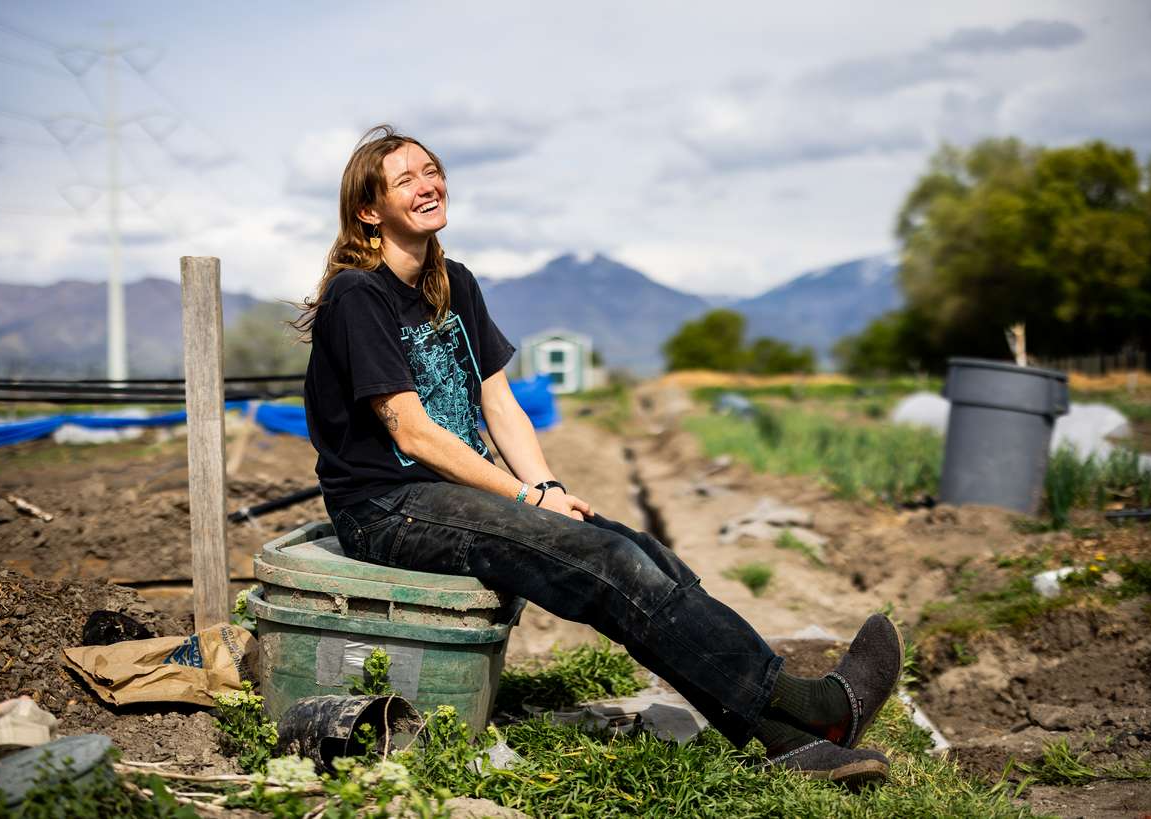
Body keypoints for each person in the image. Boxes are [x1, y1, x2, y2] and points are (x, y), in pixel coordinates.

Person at [299, 124, 904, 789]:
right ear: (367, 208)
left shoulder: (454, 283)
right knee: (605, 563)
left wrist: (548, 486)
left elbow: (500, 405)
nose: (428, 183)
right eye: (406, 178)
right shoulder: (358, 293)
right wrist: (523, 498)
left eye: (432, 169)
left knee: (636, 550)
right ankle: (812, 706)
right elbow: (412, 433)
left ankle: (784, 740)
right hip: (387, 505)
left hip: (445, 495)